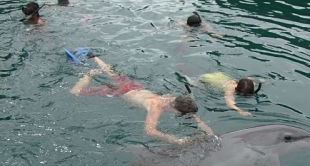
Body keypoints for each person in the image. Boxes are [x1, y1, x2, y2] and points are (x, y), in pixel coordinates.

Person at [71, 55, 213, 144]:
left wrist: (206, 128)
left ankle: (94, 56)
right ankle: (89, 74)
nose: (178, 115)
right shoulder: (156, 107)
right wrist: (174, 139)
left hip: (133, 86)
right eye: (179, 113)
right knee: (75, 92)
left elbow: (190, 108)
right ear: (174, 108)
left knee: (111, 71)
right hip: (119, 91)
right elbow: (149, 130)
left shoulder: (176, 98)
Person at [188, 72, 262, 116]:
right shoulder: (230, 89)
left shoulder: (245, 83)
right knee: (194, 89)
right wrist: (240, 111)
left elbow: (250, 79)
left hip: (220, 75)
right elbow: (229, 103)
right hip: (205, 78)